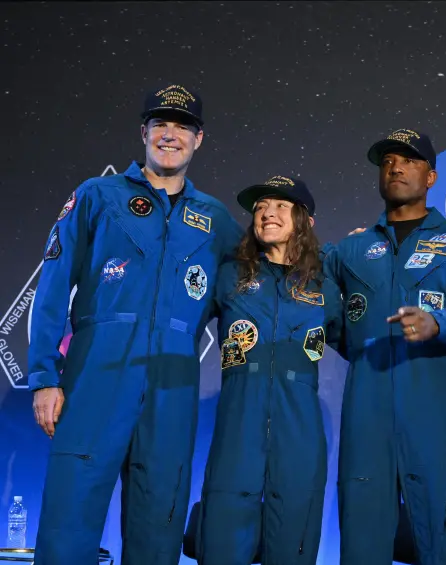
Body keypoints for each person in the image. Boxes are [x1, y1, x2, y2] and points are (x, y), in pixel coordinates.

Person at [28, 84, 243, 565]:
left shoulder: (216, 219)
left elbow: (256, 283)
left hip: (173, 381)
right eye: (161, 124)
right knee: (70, 520)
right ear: (143, 132)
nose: (171, 135)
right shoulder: (97, 195)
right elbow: (52, 287)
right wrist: (44, 377)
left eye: (182, 126)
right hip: (97, 373)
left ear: (199, 139)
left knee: (158, 525)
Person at [323, 129, 446, 565]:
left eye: (409, 160)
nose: (395, 167)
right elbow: (327, 322)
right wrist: (368, 351)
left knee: (442, 537)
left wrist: (437, 323)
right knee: (362, 538)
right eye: (387, 161)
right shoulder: (349, 249)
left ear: (431, 176)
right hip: (367, 407)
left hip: (433, 405)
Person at [197, 175, 343, 565]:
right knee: (223, 541)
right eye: (260, 206)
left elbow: (361, 343)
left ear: (305, 220)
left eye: (280, 205)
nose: (266, 212)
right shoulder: (229, 275)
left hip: (300, 428)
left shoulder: (326, 285)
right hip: (237, 426)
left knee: (294, 539)